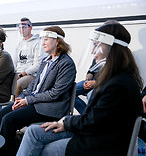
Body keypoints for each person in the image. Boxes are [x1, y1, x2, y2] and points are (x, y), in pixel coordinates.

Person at [16, 21, 143, 156]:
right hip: (94, 131)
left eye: (96, 46)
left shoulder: (118, 84)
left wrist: (66, 121)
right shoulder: (116, 78)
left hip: (99, 142)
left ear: (112, 48)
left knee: (43, 149)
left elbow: (93, 121)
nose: (93, 51)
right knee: (33, 131)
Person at [0, 26, 76, 156]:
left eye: (46, 39)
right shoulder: (46, 60)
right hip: (35, 102)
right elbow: (34, 85)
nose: (42, 43)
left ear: (58, 41)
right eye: (43, 39)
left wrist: (27, 100)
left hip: (49, 108)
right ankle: (8, 151)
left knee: (9, 120)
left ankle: (2, 153)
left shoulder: (66, 63)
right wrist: (21, 98)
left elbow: (55, 93)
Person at [0, 18, 46, 127]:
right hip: (18, 73)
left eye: (24, 26)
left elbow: (37, 65)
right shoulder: (20, 43)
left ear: (30, 28)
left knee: (18, 84)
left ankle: (14, 111)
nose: (21, 29)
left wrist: (21, 74)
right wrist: (12, 73)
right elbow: (15, 62)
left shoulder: (37, 42)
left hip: (31, 75)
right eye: (20, 27)